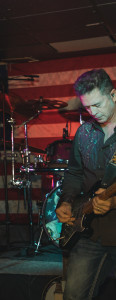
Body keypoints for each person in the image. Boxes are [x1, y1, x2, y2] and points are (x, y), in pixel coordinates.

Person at [56, 68, 116, 299]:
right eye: (87, 107)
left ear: (113, 95)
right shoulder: (84, 133)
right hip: (89, 231)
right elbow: (74, 173)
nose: (93, 112)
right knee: (73, 294)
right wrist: (67, 201)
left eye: (98, 105)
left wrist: (112, 203)